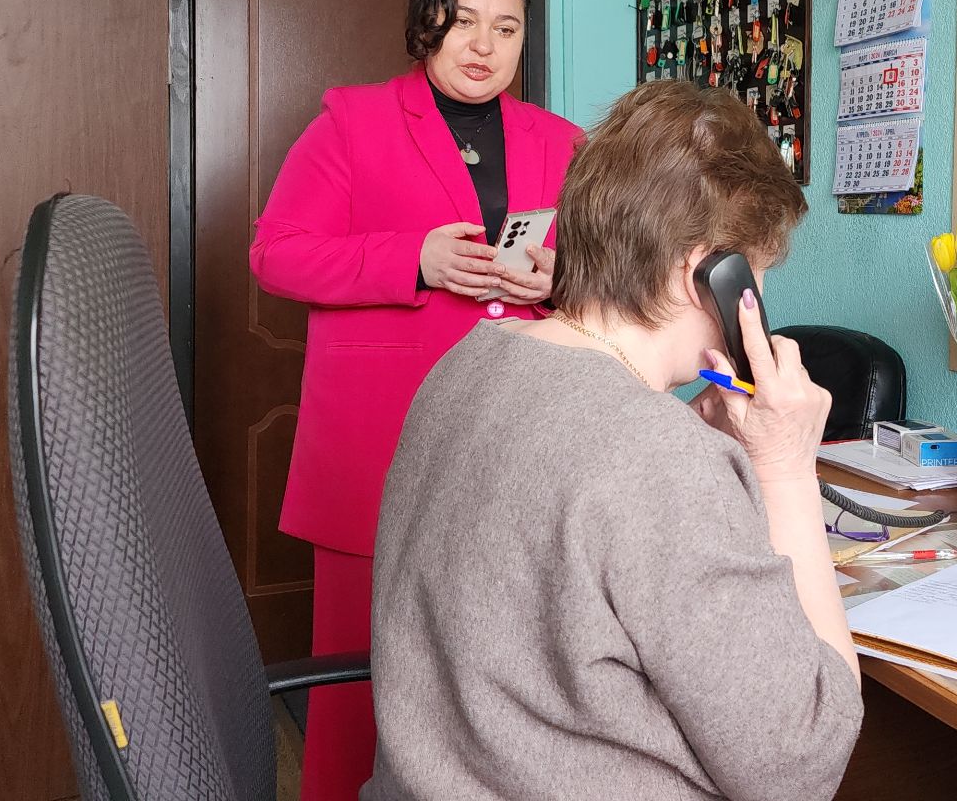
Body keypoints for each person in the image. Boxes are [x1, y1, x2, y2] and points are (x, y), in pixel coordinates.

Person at [365, 81, 864, 801]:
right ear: (711, 276)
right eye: (755, 272)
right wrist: (786, 470)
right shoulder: (655, 461)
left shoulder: (469, 359)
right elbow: (804, 766)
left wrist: (683, 439)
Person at [250, 0, 583, 801]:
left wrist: (560, 278)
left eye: (505, 26)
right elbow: (276, 255)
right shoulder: (352, 122)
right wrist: (414, 259)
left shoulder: (561, 141)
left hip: (517, 442)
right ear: (427, 21)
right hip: (376, 448)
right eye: (464, 20)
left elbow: (596, 272)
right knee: (358, 685)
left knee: (495, 673)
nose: (483, 44)